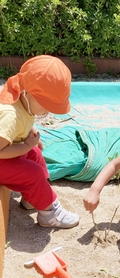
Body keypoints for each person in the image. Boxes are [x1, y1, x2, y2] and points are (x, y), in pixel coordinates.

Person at [0, 55, 79, 229]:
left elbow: (22, 120)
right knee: (33, 172)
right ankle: (49, 214)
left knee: (35, 153)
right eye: (45, 105)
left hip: (5, 148)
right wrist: (26, 145)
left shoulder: (20, 94)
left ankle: (32, 198)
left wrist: (29, 133)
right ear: (28, 93)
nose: (47, 112)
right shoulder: (10, 116)